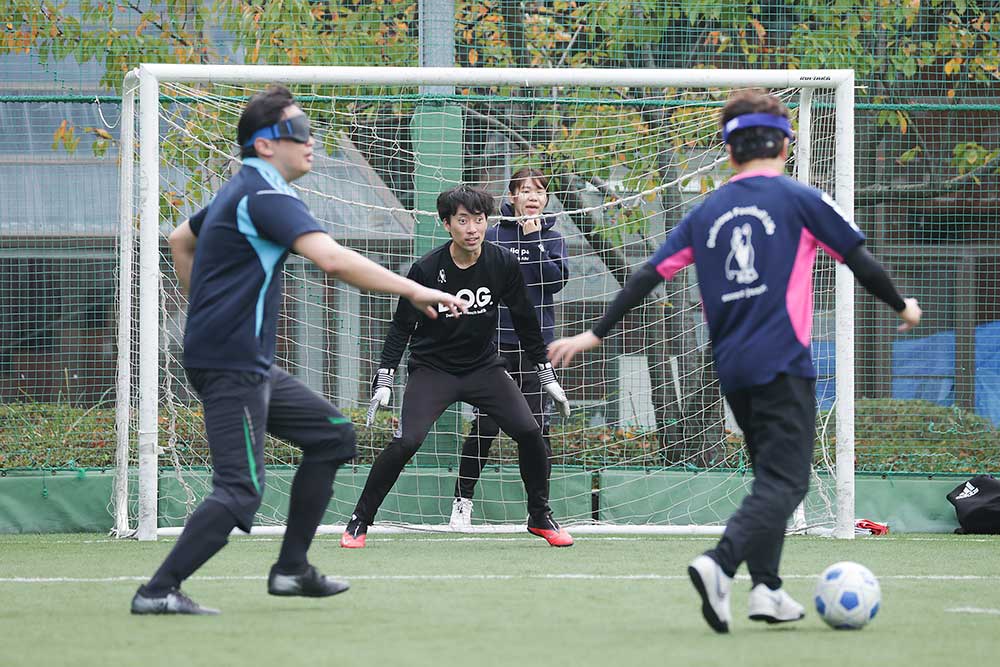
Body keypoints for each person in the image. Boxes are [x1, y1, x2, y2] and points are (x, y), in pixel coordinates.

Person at [548, 90, 922, 632]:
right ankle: (719, 564)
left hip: (732, 367)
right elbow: (858, 259)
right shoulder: (799, 199)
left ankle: (767, 590)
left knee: (769, 475)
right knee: (788, 482)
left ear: (728, 151)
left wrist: (595, 333)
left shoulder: (708, 211)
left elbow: (646, 276)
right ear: (786, 144)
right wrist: (902, 305)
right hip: (783, 361)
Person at [130, 85, 466, 615]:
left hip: (237, 358)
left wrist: (210, 313)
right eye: (299, 133)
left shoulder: (238, 190)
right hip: (231, 363)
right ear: (265, 146)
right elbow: (331, 260)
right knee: (240, 491)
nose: (312, 142)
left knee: (333, 436)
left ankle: (290, 570)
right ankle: (156, 591)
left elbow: (179, 239)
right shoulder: (265, 197)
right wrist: (415, 288)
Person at [344, 184, 574, 549]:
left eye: (478, 220)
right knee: (407, 441)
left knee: (530, 433)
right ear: (446, 224)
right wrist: (384, 377)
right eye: (463, 220)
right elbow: (402, 325)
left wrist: (546, 374)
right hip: (433, 370)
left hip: (484, 368)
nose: (472, 228)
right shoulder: (427, 268)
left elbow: (526, 320)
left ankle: (539, 516)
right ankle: (359, 520)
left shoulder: (502, 263)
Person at [448, 168, 568, 531]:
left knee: (536, 429)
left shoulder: (553, 238)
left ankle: (540, 510)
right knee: (485, 426)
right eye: (524, 191)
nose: (532, 197)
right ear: (512, 197)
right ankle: (461, 504)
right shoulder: (494, 234)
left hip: (536, 349)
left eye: (539, 191)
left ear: (545, 199)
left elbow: (555, 282)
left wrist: (534, 239)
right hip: (494, 347)